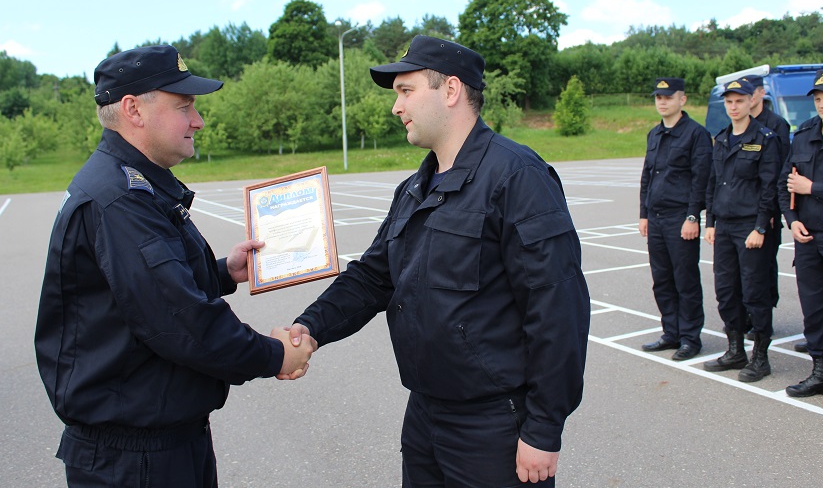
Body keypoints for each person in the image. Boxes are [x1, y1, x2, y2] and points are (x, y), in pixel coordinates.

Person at [286, 35, 590, 486]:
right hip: (425, 414)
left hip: (494, 424)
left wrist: (544, 427)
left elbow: (557, 307)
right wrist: (309, 328)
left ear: (450, 90)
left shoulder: (517, 177)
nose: (396, 107)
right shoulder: (415, 187)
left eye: (406, 91)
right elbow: (372, 278)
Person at [34, 45, 316, 488]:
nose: (198, 121)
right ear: (133, 110)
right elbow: (183, 322)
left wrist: (224, 271)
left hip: (159, 444)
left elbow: (143, 291)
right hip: (135, 460)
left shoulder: (133, 186)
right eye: (184, 107)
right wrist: (277, 354)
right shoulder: (119, 201)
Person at [702, 78, 780, 382]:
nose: (733, 107)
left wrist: (760, 226)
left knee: (755, 293)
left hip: (750, 228)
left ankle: (761, 357)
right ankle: (735, 350)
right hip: (724, 227)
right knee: (726, 291)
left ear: (752, 101)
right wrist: (710, 223)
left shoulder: (765, 138)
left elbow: (769, 187)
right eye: (729, 102)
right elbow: (713, 183)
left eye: (739, 101)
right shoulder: (722, 138)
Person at [639, 77, 712, 361]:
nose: (662, 102)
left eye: (668, 97)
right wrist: (643, 214)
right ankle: (671, 332)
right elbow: (647, 175)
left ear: (682, 99)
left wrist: (693, 216)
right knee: (662, 280)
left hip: (680, 218)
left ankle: (690, 338)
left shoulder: (696, 134)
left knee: (685, 280)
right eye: (658, 97)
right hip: (656, 218)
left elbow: (701, 179)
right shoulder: (654, 134)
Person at [779, 69, 823, 408]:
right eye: (818, 98)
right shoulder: (803, 134)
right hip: (808, 238)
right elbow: (785, 182)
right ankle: (820, 371)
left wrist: (812, 188)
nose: (822, 103)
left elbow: (803, 185)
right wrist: (792, 220)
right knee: (814, 308)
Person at [743, 74, 798, 350]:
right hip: (742, 210)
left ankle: (762, 319)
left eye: (749, 93)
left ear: (760, 94)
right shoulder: (739, 125)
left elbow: (780, 171)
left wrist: (774, 211)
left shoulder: (776, 125)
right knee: (742, 271)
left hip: (766, 211)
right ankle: (745, 316)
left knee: (763, 267)